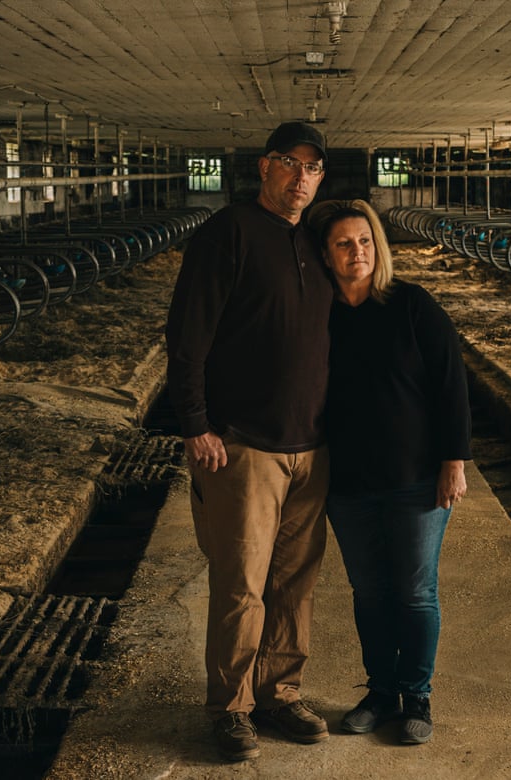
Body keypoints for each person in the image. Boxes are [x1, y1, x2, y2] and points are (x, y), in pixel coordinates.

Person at [164, 121, 333, 762]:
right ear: (265, 167)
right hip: (244, 444)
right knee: (241, 585)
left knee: (295, 582)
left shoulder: (316, 239)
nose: (301, 178)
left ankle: (280, 694)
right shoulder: (228, 232)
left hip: (311, 445)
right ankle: (231, 707)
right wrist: (195, 423)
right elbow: (188, 336)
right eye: (290, 163)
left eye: (312, 168)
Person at [310, 198, 472, 745]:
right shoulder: (320, 316)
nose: (357, 251)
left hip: (416, 479)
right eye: (343, 244)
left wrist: (454, 462)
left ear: (377, 247)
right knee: (369, 591)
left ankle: (416, 696)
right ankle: (380, 693)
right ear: (326, 256)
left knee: (414, 591)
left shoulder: (411, 305)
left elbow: (451, 385)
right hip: (349, 482)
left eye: (364, 241)